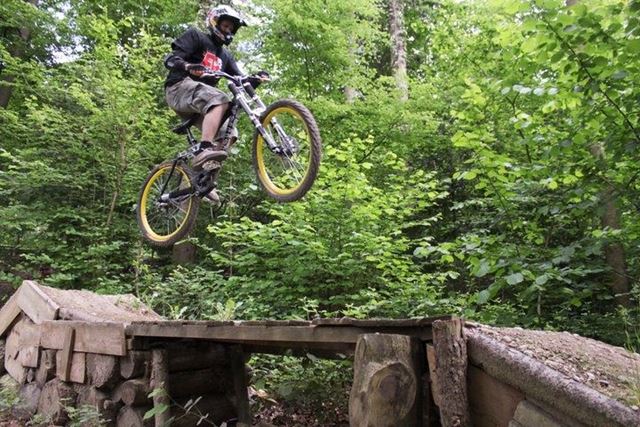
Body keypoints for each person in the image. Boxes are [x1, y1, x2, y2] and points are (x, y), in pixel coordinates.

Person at [163, 5, 247, 203]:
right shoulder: (197, 37)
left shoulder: (225, 56)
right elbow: (170, 59)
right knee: (219, 99)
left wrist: (255, 78)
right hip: (178, 88)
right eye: (225, 26)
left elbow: (240, 79)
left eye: (231, 28)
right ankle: (204, 149)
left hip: (200, 105)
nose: (228, 31)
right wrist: (188, 66)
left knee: (229, 133)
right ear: (214, 22)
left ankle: (202, 180)